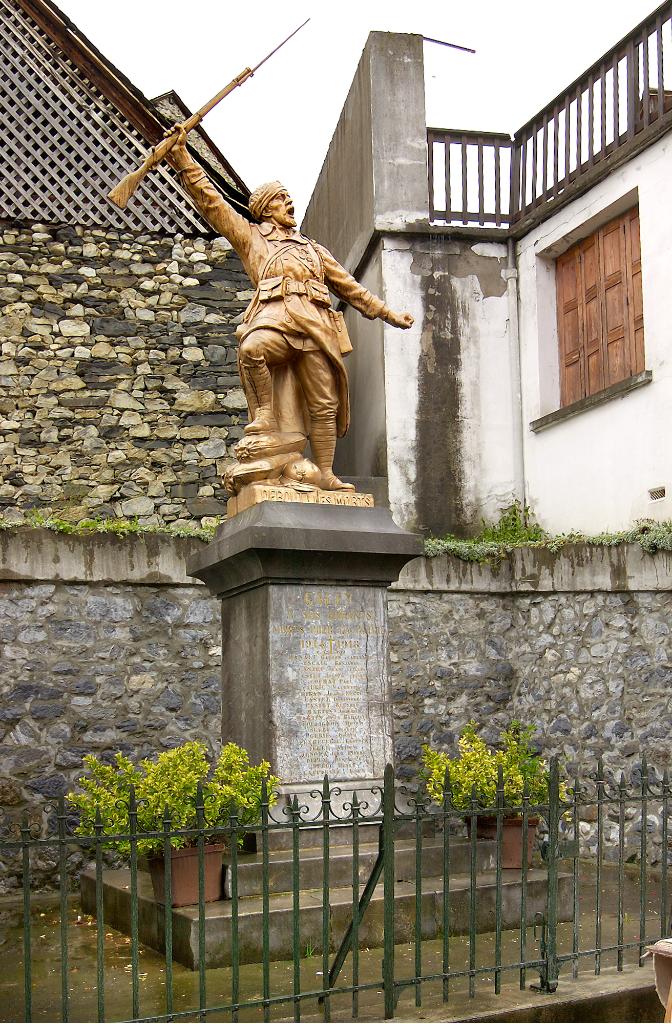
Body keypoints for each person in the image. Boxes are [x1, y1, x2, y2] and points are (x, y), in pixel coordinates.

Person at [168, 128, 414, 491]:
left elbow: (349, 286)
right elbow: (212, 203)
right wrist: (183, 158)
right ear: (267, 208)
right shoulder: (251, 237)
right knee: (252, 349)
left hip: (315, 323)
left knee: (324, 402)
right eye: (283, 200)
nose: (290, 205)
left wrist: (387, 313)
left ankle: (327, 474)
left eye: (289, 199)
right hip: (275, 317)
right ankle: (265, 413)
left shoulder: (313, 249)